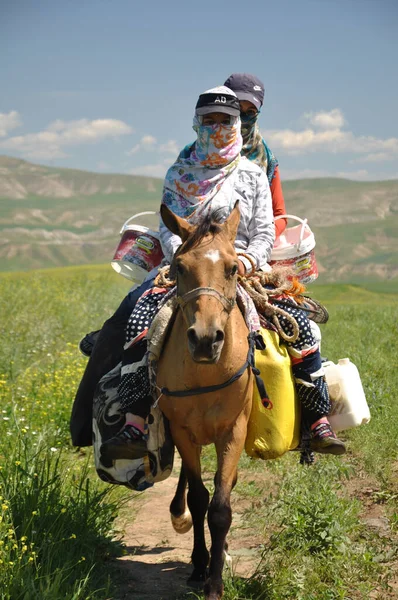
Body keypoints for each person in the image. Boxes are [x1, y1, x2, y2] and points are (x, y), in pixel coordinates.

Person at [99, 86, 346, 461]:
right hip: (188, 266)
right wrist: (183, 256)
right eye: (209, 120)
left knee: (302, 325)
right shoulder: (180, 172)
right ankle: (135, 421)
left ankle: (317, 418)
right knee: (138, 317)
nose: (217, 128)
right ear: (196, 123)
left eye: (225, 120)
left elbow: (264, 230)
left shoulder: (251, 175)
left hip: (240, 266)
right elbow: (167, 225)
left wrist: (245, 262)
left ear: (237, 124)